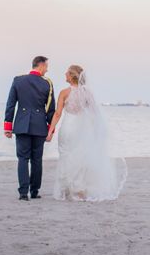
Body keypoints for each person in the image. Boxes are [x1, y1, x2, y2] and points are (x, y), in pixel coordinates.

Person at [47, 65, 126, 201]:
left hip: (68, 127)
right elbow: (95, 114)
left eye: (67, 72)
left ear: (72, 76)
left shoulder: (64, 93)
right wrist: (96, 130)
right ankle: (79, 189)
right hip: (81, 129)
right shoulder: (87, 93)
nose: (65, 74)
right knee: (79, 157)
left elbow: (58, 113)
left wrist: (50, 132)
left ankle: (67, 189)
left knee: (65, 155)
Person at [4, 56, 55, 200]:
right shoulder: (47, 84)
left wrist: (8, 126)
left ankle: (23, 193)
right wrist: (50, 129)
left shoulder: (18, 80)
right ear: (40, 66)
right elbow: (50, 109)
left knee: (23, 159)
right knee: (37, 160)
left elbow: (11, 105)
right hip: (39, 126)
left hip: (21, 124)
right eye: (46, 66)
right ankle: (34, 191)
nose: (47, 69)